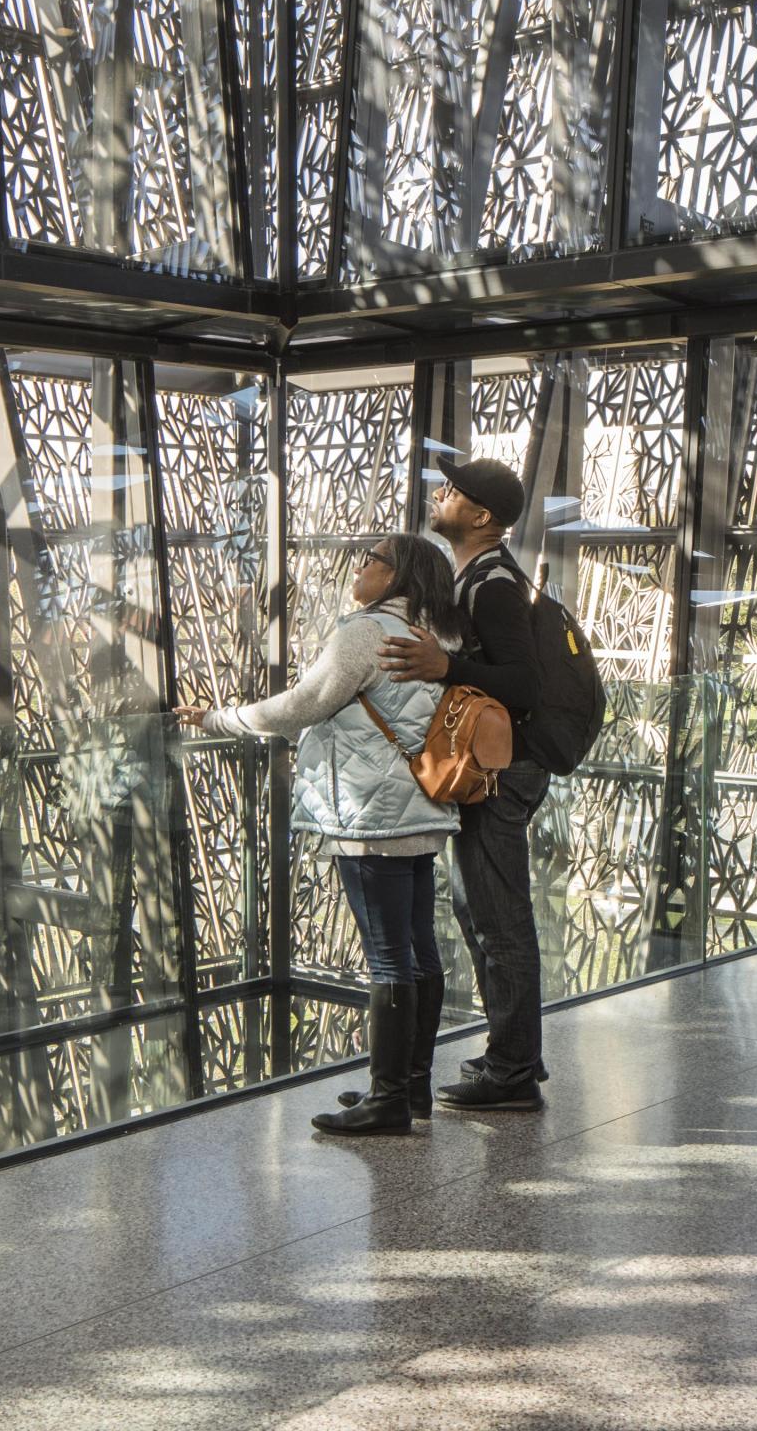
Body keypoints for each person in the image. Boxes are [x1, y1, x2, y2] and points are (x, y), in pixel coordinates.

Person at [187, 532, 461, 1134]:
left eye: (371, 560)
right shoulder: (441, 634)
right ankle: (411, 1087)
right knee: (419, 946)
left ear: (397, 576)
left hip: (369, 816)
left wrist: (221, 717)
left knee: (389, 955)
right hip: (421, 805)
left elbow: (305, 703)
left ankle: (387, 1099)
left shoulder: (366, 632)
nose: (359, 568)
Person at [380, 457, 551, 1111]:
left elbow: (526, 684)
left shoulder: (493, 584)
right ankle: (509, 1059)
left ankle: (512, 1071)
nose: (439, 495)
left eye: (453, 491)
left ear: (481, 516)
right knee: (479, 910)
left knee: (498, 917)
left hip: (500, 773)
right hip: (493, 768)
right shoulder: (478, 575)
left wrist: (444, 663)